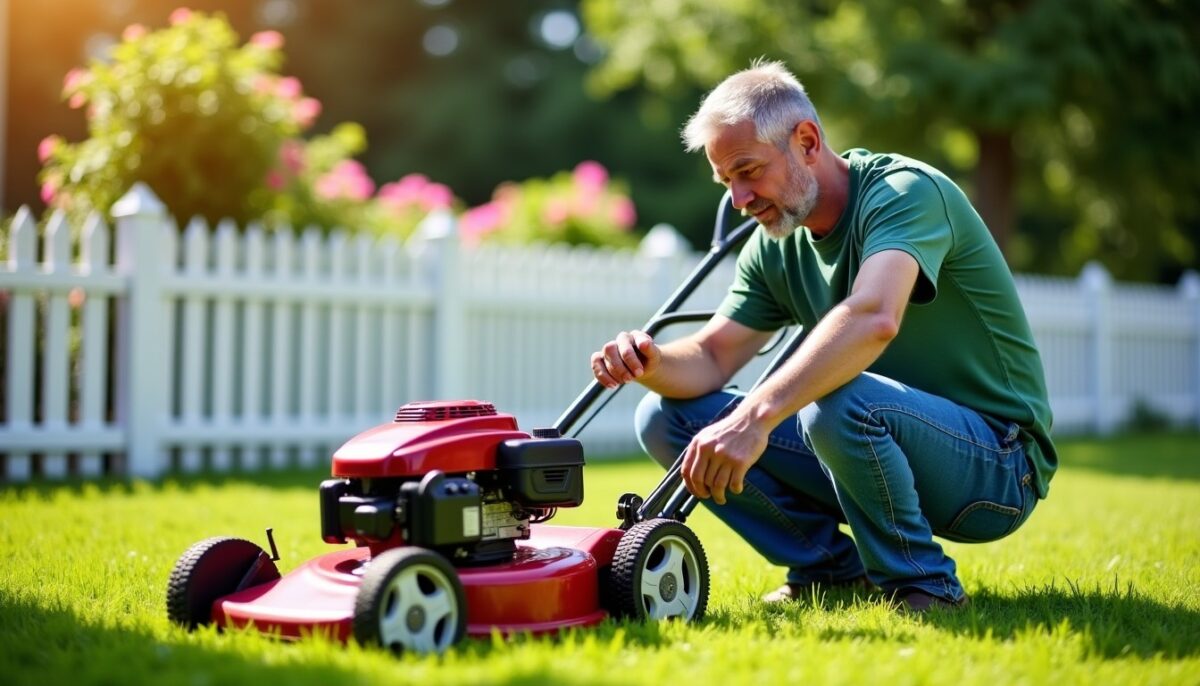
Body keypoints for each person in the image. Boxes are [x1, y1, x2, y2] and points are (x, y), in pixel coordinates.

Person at [590, 61, 1056, 613]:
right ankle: (829, 571)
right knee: (666, 418)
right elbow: (714, 355)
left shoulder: (904, 193)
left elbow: (872, 316)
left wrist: (754, 418)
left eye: (748, 170)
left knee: (836, 401)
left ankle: (924, 586)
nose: (739, 198)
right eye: (727, 182)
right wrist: (650, 361)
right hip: (876, 439)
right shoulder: (775, 243)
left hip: (998, 466)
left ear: (806, 141)